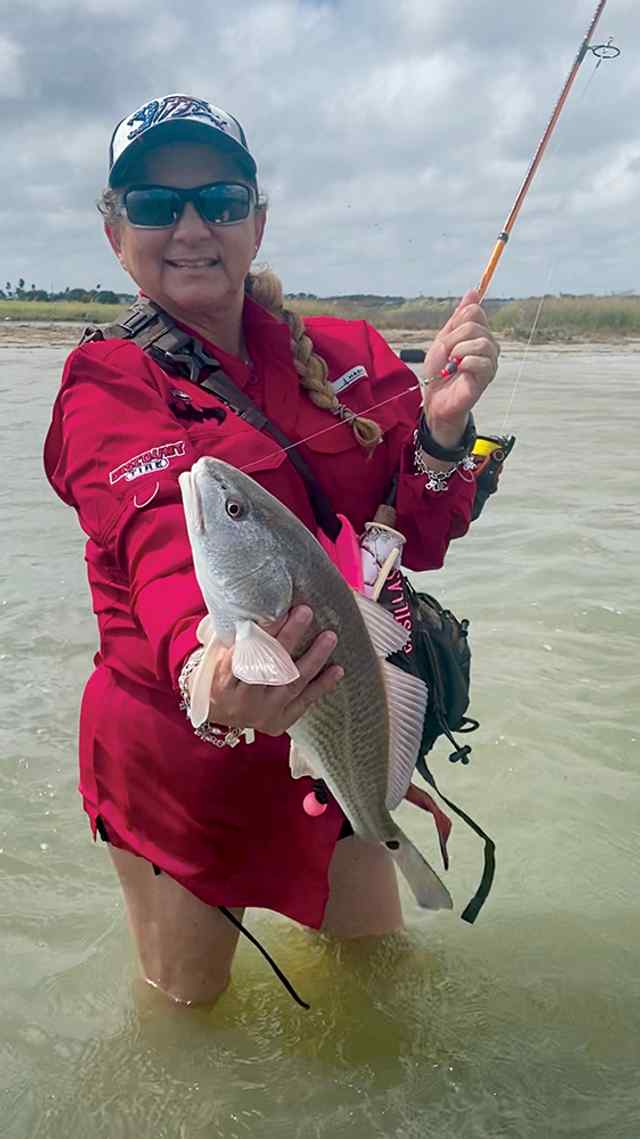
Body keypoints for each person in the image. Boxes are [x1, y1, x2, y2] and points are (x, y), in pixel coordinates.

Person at [44, 93, 500, 1007]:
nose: (189, 228)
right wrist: (209, 676)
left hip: (341, 734)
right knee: (188, 1021)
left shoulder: (348, 356)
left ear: (257, 221)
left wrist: (446, 435)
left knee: (383, 998)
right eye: (153, 204)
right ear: (112, 229)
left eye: (217, 200)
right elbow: (165, 549)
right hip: (182, 765)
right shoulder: (105, 384)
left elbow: (411, 533)